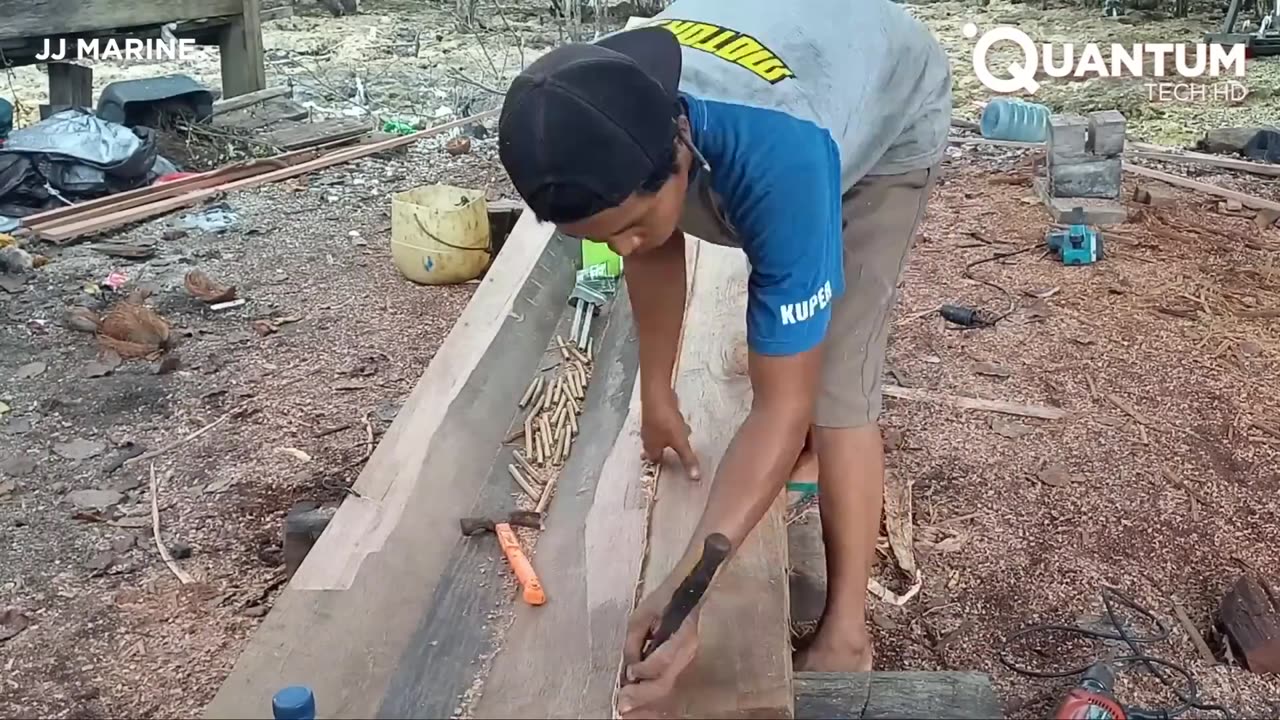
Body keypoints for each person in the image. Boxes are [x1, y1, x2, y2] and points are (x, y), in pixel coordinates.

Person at [496, 0, 952, 714]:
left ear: (681, 152)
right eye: (601, 236)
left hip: (883, 108)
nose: (620, 248)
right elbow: (651, 241)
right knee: (764, 318)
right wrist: (658, 391)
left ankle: (847, 631)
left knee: (836, 388)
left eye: (629, 224)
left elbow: (782, 404)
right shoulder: (600, 102)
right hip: (795, 64)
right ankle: (785, 466)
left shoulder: (784, 162)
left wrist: (685, 596)